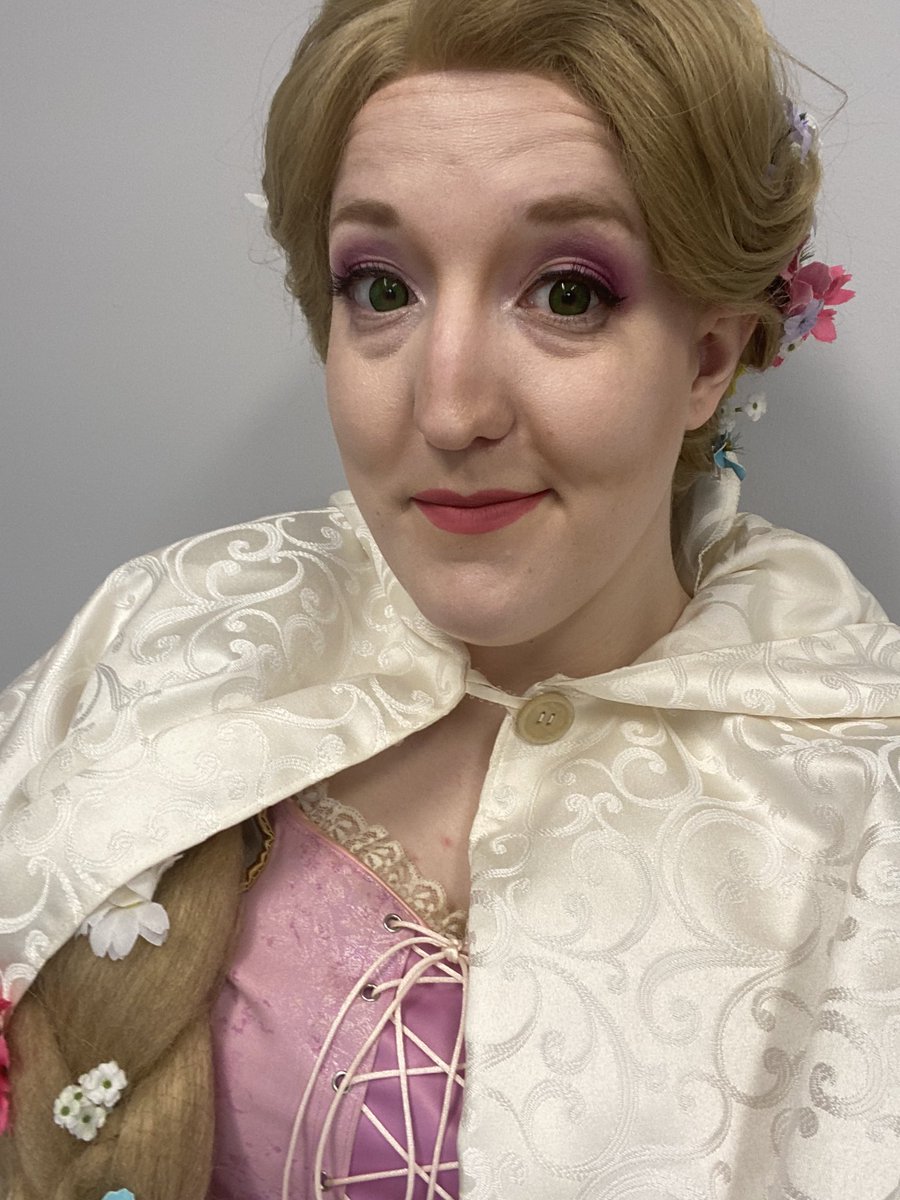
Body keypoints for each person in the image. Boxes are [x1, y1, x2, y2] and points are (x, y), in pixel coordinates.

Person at [1, 0, 898, 1196]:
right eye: (382, 287)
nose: (449, 408)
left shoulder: (861, 806)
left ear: (708, 357)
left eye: (567, 294)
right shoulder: (168, 633)